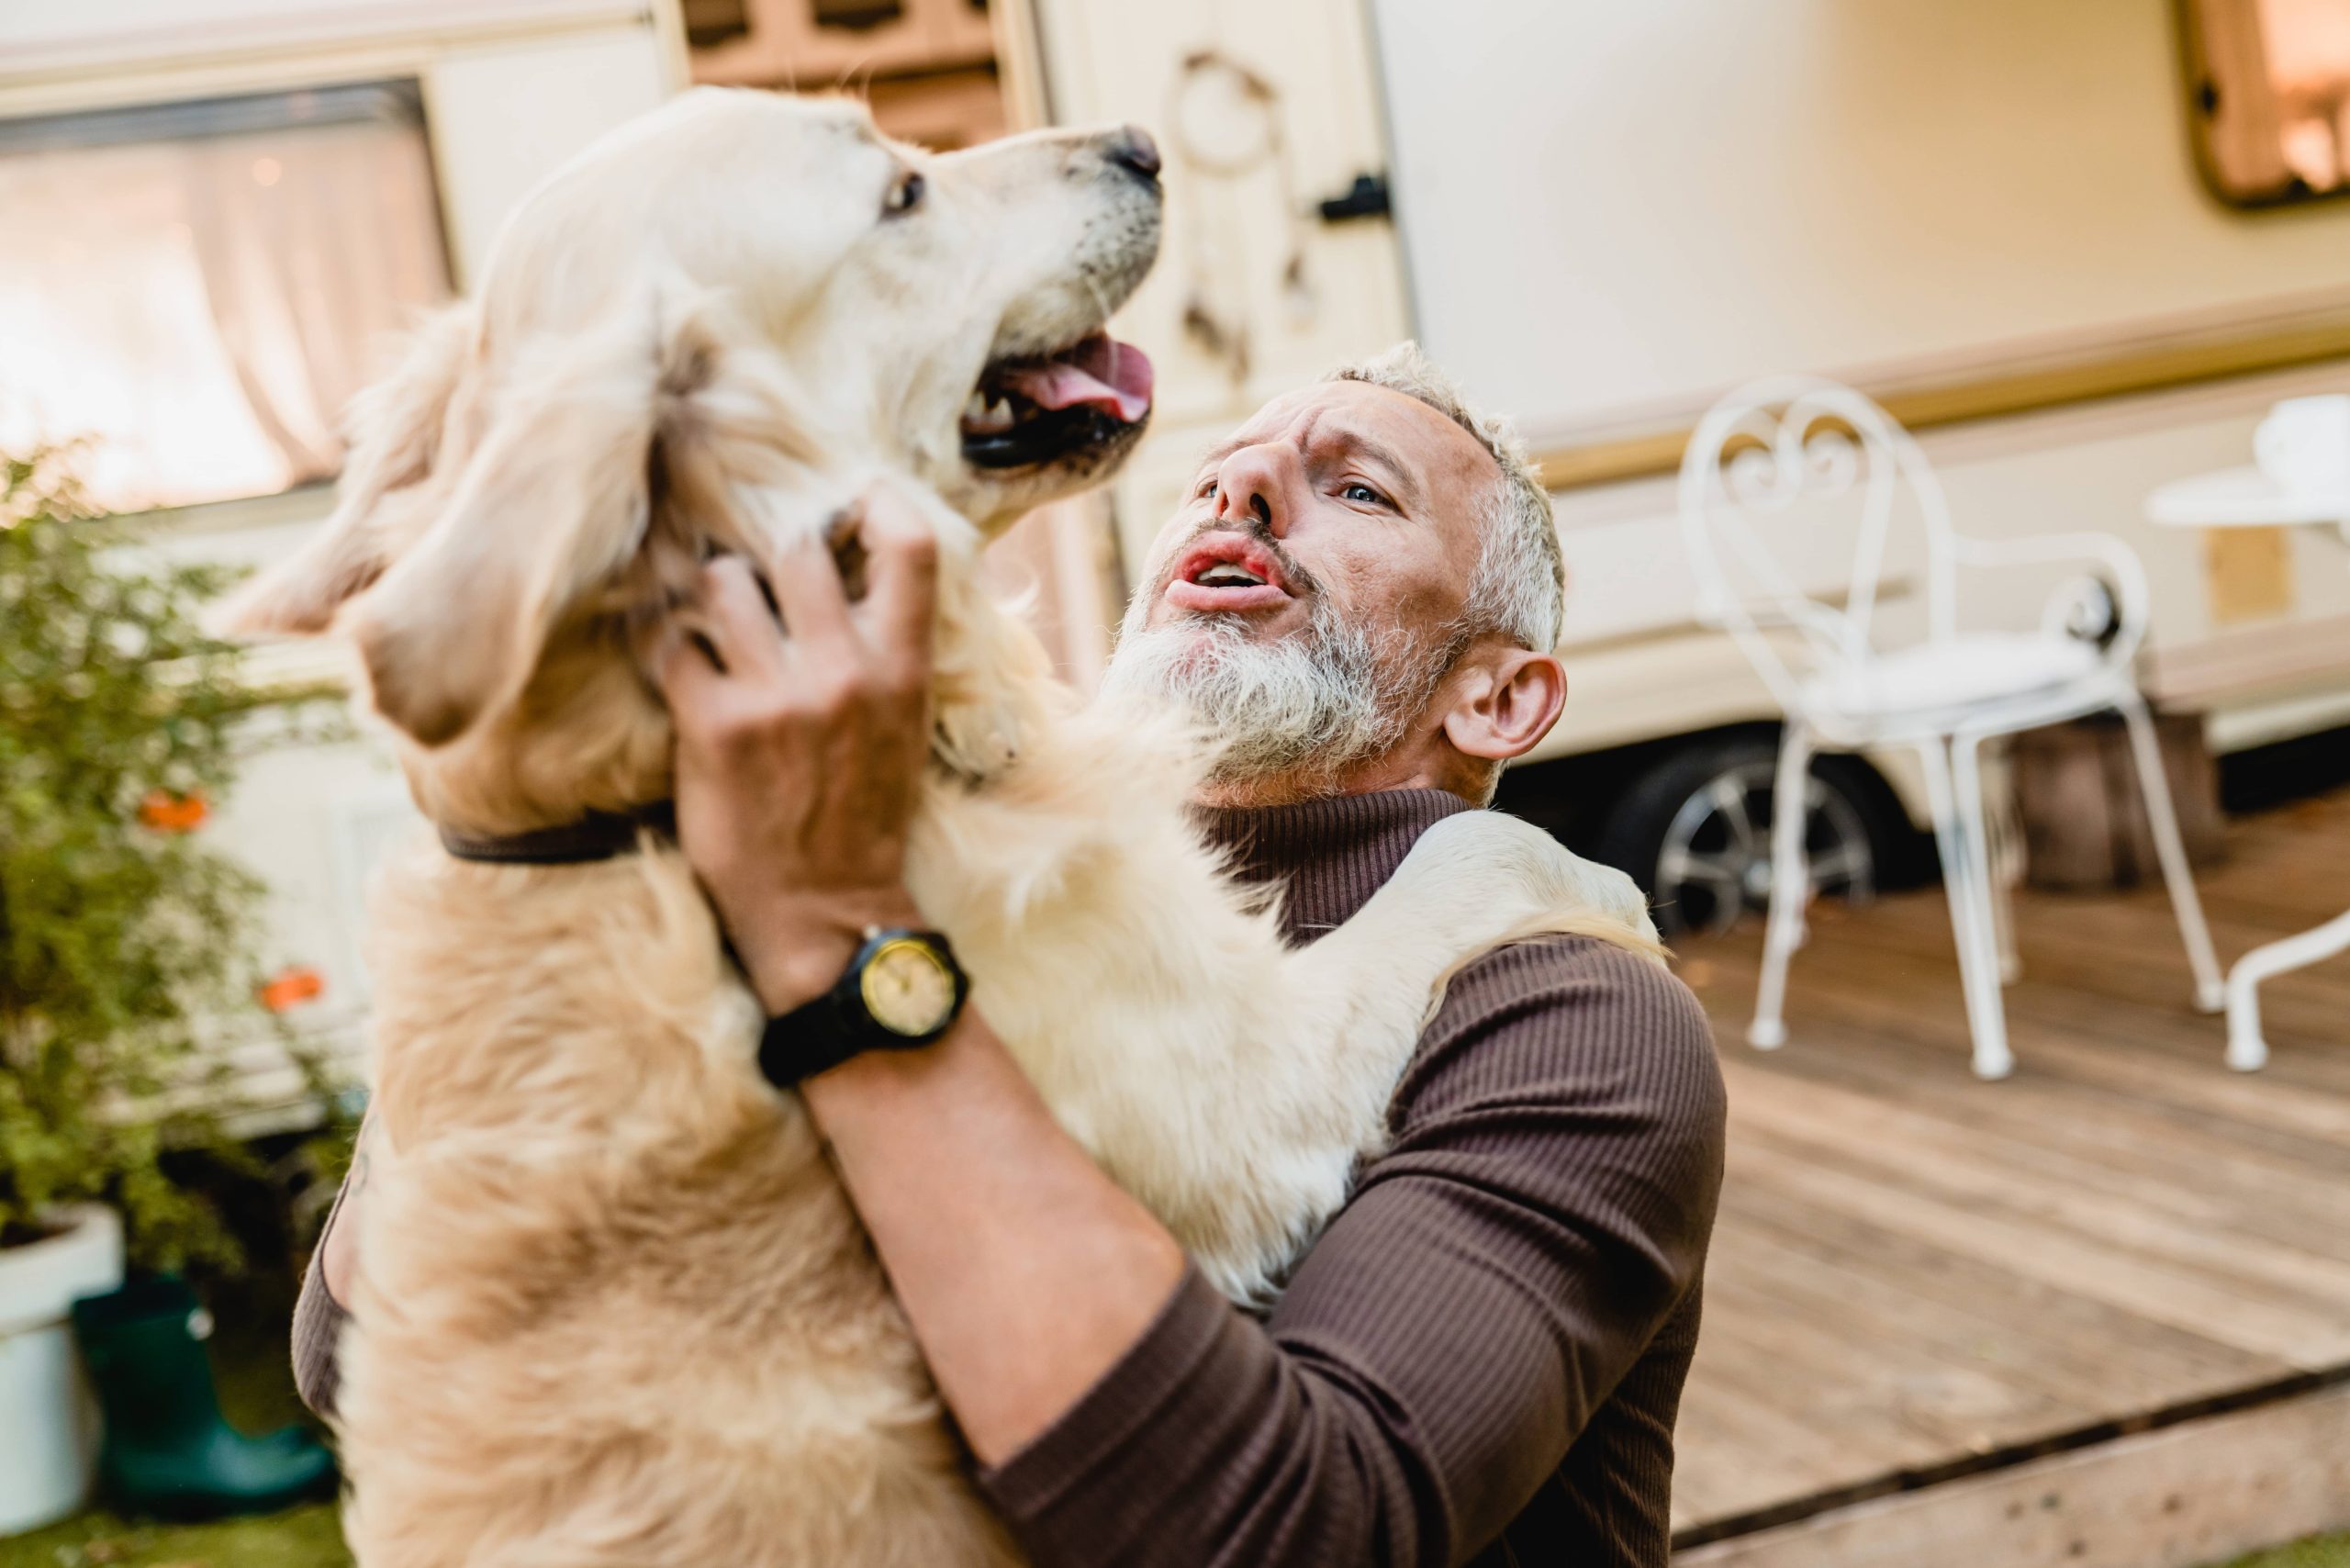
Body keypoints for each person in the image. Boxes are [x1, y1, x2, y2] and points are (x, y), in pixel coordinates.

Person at [293, 342, 1727, 1567]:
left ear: (1500, 697)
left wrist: (838, 944)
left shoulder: (1569, 1006)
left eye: (1359, 490)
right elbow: (358, 1353)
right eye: (1219, 478)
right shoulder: (959, 869)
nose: (1242, 493)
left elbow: (1299, 1526)